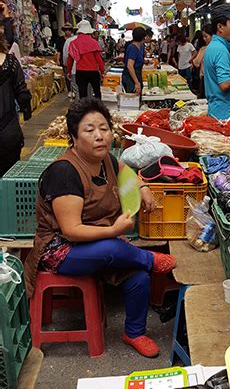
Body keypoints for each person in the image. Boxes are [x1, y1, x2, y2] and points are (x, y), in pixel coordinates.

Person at [24, 98, 177, 357]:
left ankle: (135, 332)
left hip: (98, 243)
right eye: (89, 130)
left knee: (138, 276)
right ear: (73, 135)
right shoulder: (64, 172)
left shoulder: (105, 159)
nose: (99, 136)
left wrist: (142, 186)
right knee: (114, 248)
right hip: (61, 249)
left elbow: (125, 170)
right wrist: (114, 230)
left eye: (104, 128)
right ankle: (150, 259)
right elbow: (71, 230)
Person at [0, 33, 32, 176]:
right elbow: (22, 93)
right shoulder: (11, 62)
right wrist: (26, 111)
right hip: (8, 130)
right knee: (9, 176)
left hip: (9, 131)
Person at [67, 20, 104, 99]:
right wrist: (102, 71)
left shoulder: (73, 43)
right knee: (97, 92)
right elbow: (99, 59)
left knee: (82, 94)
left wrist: (69, 71)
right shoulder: (94, 42)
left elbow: (70, 60)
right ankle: (98, 109)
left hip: (80, 72)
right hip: (93, 72)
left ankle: (84, 110)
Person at [122, 27, 146, 95]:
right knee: (133, 100)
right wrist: (136, 82)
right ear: (143, 37)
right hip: (131, 78)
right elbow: (130, 66)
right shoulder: (132, 48)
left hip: (137, 75)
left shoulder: (140, 46)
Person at [192, 24, 213, 99]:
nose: (204, 39)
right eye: (203, 36)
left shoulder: (204, 49)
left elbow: (196, 63)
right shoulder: (222, 47)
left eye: (206, 36)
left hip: (206, 79)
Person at [56, 23, 74, 95]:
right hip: (64, 60)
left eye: (69, 30)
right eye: (66, 30)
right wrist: (57, 60)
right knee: (67, 75)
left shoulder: (74, 39)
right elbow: (58, 51)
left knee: (73, 74)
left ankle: (73, 89)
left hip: (73, 60)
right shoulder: (60, 39)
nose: (67, 31)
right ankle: (70, 90)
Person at [63, 28, 78, 99]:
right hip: (87, 68)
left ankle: (75, 96)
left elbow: (66, 55)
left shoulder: (68, 41)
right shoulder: (90, 40)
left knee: (76, 87)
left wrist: (66, 65)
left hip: (73, 67)